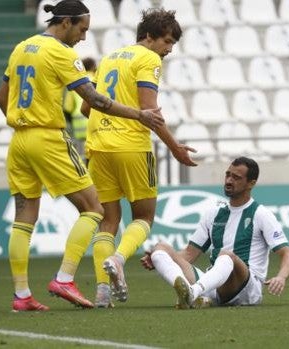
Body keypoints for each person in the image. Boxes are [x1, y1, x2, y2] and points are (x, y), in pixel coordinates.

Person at [0, 0, 165, 312]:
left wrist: (24, 118)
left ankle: (22, 295)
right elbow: (95, 100)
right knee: (94, 208)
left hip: (18, 140)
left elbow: (2, 98)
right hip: (47, 137)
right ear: (66, 23)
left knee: (24, 216)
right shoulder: (61, 53)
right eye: (82, 29)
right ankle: (64, 277)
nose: (83, 37)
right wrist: (138, 114)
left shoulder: (21, 47)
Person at [80, 8, 197, 308]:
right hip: (131, 145)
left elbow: (86, 108)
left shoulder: (110, 58)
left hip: (98, 144)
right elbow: (150, 112)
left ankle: (102, 294)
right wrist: (175, 148)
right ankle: (118, 260)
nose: (169, 49)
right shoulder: (149, 59)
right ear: (149, 36)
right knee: (144, 217)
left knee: (108, 221)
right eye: (167, 41)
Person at [140, 157, 289, 308]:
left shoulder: (261, 214)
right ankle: (194, 295)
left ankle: (192, 293)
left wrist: (281, 277)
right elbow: (189, 254)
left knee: (226, 255)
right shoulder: (213, 214)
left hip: (247, 289)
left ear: (251, 183)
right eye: (228, 175)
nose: (229, 181)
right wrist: (162, 260)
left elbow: (287, 254)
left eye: (236, 177)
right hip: (215, 286)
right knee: (160, 248)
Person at [62, 57, 96, 155]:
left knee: (81, 155)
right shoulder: (96, 79)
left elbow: (68, 107)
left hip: (79, 126)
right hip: (94, 123)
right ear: (93, 67)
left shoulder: (75, 82)